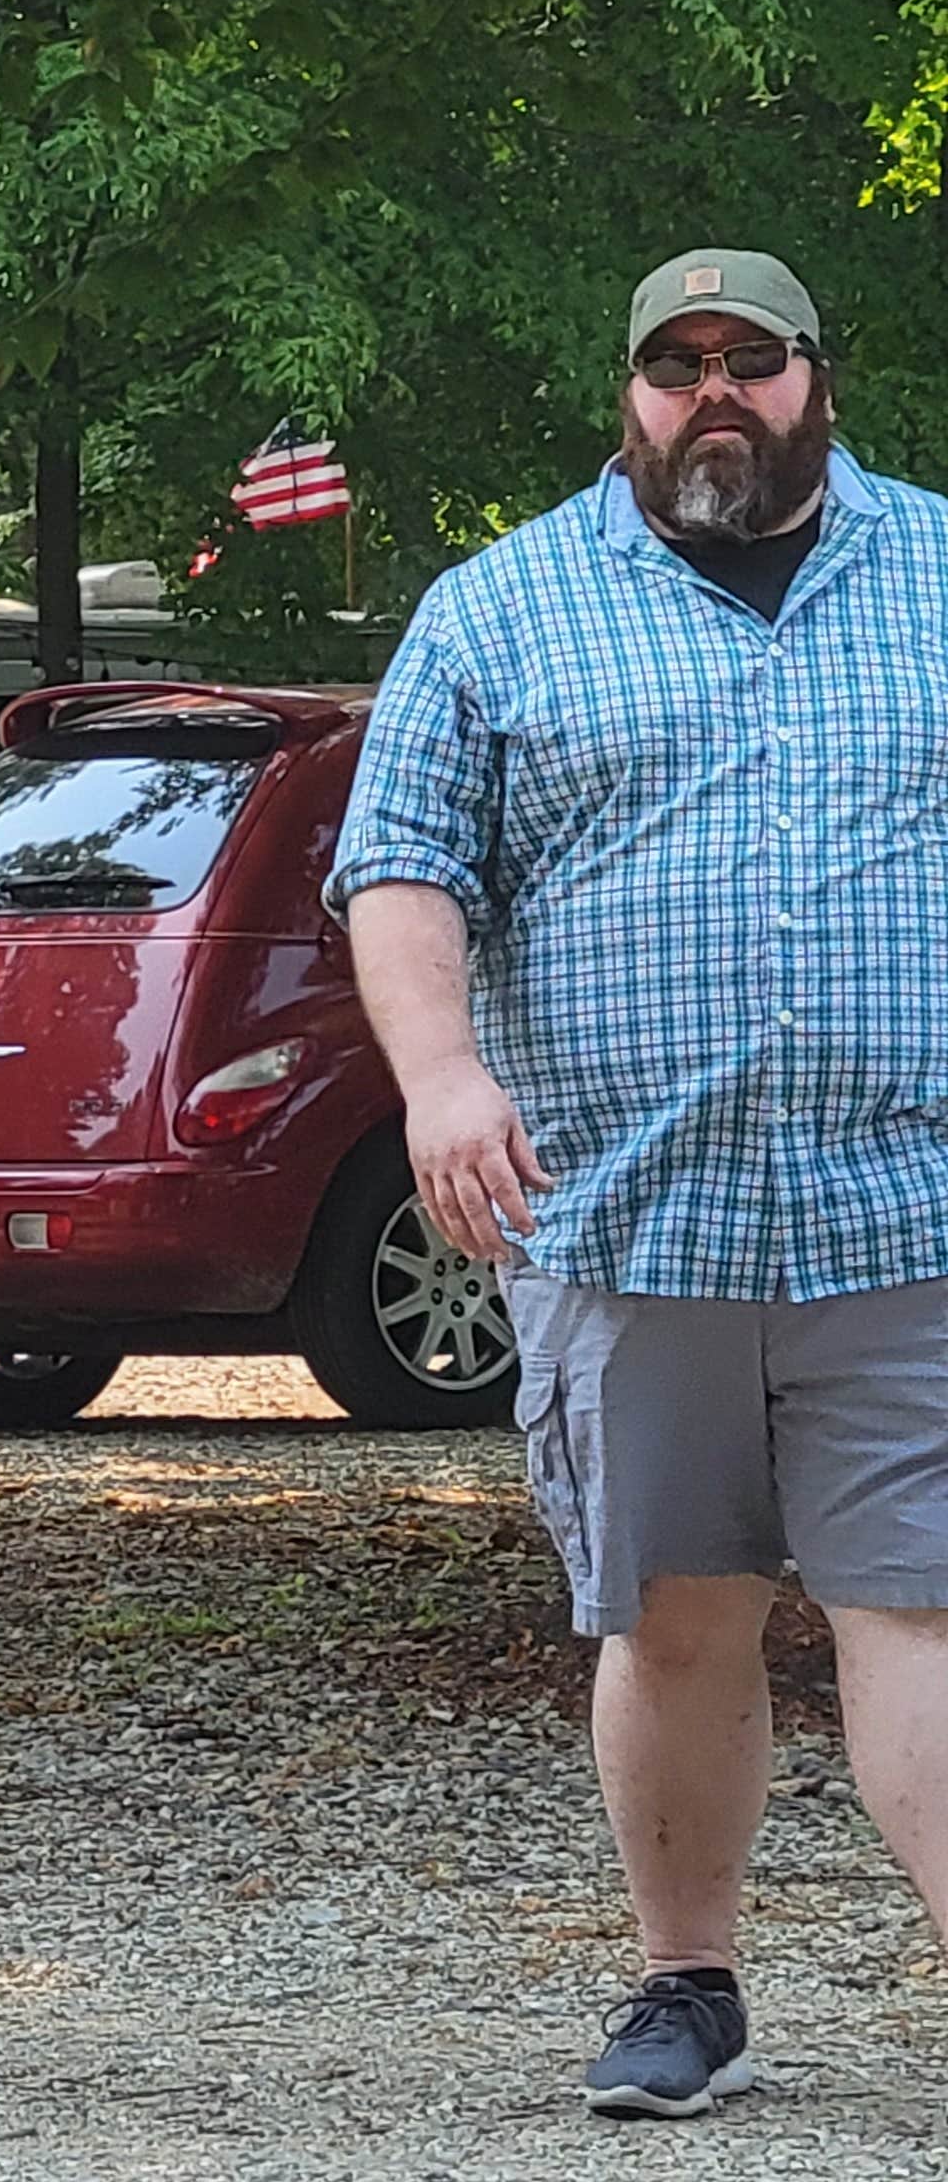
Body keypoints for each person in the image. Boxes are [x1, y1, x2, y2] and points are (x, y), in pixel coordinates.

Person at [331, 249, 948, 2119]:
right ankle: (691, 1985)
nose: (713, 396)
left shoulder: (939, 572)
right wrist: (439, 1077)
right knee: (673, 1611)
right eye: (676, 367)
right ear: (628, 394)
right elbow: (402, 866)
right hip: (624, 1207)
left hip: (907, 1208)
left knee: (917, 1606)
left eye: (749, 362)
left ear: (815, 381)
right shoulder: (499, 608)